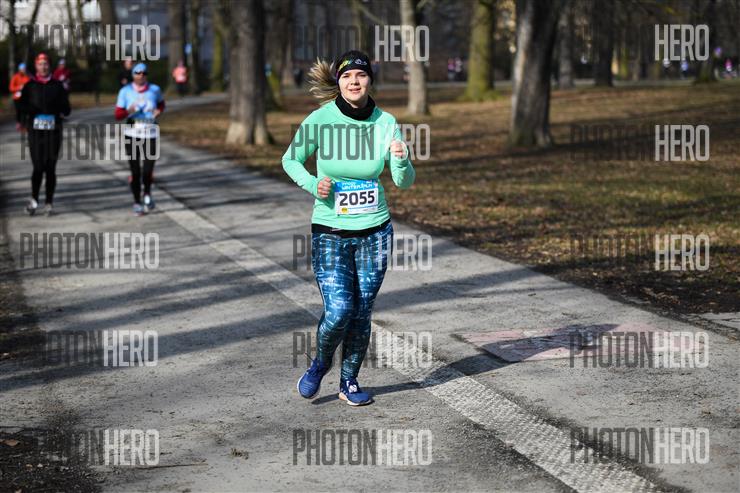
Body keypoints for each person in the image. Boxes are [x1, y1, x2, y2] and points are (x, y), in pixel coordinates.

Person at [284, 50, 415, 406]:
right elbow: (290, 159)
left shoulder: (386, 122)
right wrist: (314, 185)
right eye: (346, 76)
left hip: (375, 232)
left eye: (360, 75)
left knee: (361, 311)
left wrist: (401, 159)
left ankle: (349, 381)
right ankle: (321, 363)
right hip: (330, 232)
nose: (354, 82)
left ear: (370, 80)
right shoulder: (321, 119)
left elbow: (403, 181)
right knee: (340, 309)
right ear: (339, 82)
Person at [18, 53, 71, 216]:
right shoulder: (29, 86)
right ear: (36, 66)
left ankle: (49, 202)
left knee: (50, 168)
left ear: (50, 66)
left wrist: (59, 109)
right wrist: (29, 112)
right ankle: (34, 200)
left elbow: (67, 109)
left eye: (46, 64)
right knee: (38, 167)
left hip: (53, 132)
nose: (43, 67)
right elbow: (21, 107)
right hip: (36, 132)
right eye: (40, 64)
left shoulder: (58, 85)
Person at [114, 63, 165, 216]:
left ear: (146, 75)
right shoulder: (125, 91)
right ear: (133, 75)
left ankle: (147, 193)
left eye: (143, 73)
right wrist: (129, 111)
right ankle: (137, 202)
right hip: (132, 135)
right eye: (137, 73)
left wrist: (158, 111)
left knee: (148, 171)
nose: (140, 75)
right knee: (135, 172)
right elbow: (117, 115)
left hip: (150, 134)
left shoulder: (155, 89)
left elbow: (161, 104)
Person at [9, 62, 31, 131]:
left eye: (25, 69)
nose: (24, 70)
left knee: (25, 111)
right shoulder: (15, 77)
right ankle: (19, 123)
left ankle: (25, 125)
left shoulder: (28, 76)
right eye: (22, 69)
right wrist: (19, 87)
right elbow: (11, 88)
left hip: (26, 97)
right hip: (17, 97)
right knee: (18, 111)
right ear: (19, 69)